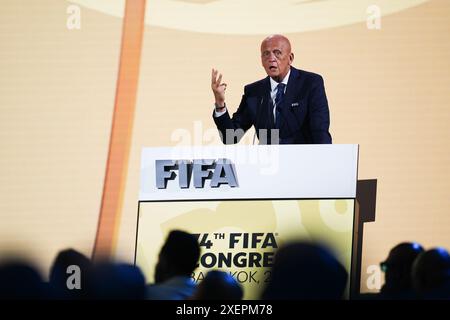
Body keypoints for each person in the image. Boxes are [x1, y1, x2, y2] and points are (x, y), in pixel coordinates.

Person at [211, 34, 332, 145]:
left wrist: (323, 161)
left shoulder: (310, 83)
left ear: (290, 58)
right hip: (268, 165)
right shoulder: (254, 92)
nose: (271, 58)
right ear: (261, 60)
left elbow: (320, 132)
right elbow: (231, 137)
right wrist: (220, 103)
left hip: (302, 162)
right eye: (266, 54)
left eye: (277, 53)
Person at [146, 230, 200, 300]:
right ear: (195, 267)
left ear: (164, 262)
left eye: (159, 260)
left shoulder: (145, 295)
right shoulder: (206, 296)